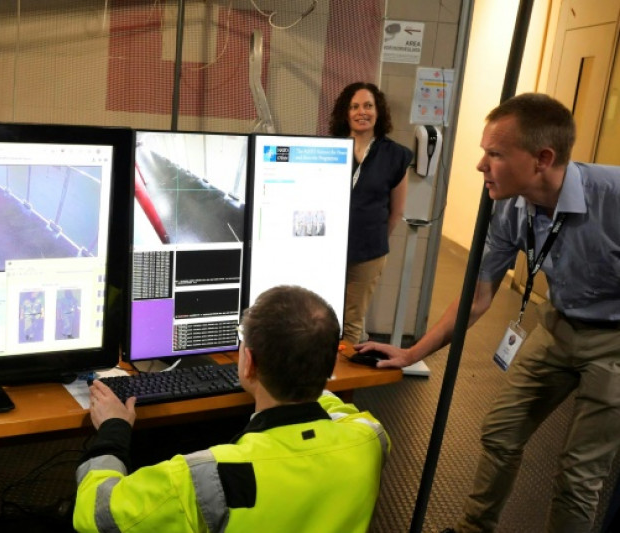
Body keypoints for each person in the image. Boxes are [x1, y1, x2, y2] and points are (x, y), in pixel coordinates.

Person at [362, 93, 620, 532]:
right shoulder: (509, 207)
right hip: (557, 326)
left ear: (542, 159)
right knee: (500, 432)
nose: (481, 165)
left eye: (495, 154)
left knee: (579, 473)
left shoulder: (612, 197)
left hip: (614, 342)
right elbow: (478, 298)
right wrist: (411, 354)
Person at [74, 285, 390, 532]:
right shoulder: (371, 438)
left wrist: (113, 430)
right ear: (330, 363)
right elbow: (328, 403)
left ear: (249, 363)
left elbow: (95, 512)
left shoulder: (207, 475)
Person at [329, 82, 412, 345]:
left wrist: (374, 241)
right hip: (328, 248)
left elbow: (396, 212)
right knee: (323, 315)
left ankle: (343, 372)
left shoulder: (395, 155)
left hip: (368, 252)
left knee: (352, 321)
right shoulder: (329, 148)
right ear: (346, 113)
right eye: (354, 107)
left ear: (378, 111)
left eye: (368, 106)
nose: (361, 112)